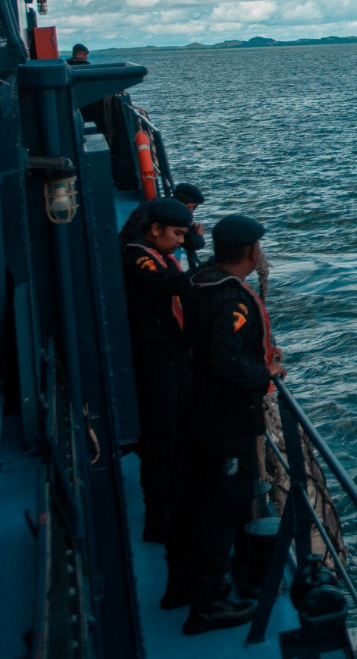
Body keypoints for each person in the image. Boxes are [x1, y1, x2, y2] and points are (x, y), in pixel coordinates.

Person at [166, 215, 284, 635]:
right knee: (221, 508)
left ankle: (182, 586)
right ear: (252, 251)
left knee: (195, 500)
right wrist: (265, 372)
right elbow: (225, 361)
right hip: (226, 419)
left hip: (196, 408)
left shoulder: (199, 280)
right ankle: (208, 605)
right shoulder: (232, 299)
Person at [121, 197, 196, 544]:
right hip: (154, 359)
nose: (180, 241)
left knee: (177, 431)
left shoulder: (157, 253)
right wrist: (215, 268)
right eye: (177, 234)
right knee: (161, 437)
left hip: (170, 355)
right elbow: (166, 284)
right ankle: (159, 520)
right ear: (155, 229)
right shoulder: (137, 257)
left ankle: (175, 503)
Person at [172, 182, 207, 269]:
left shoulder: (164, 207)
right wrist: (199, 234)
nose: (193, 211)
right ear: (188, 206)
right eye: (194, 207)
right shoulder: (178, 216)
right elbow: (194, 243)